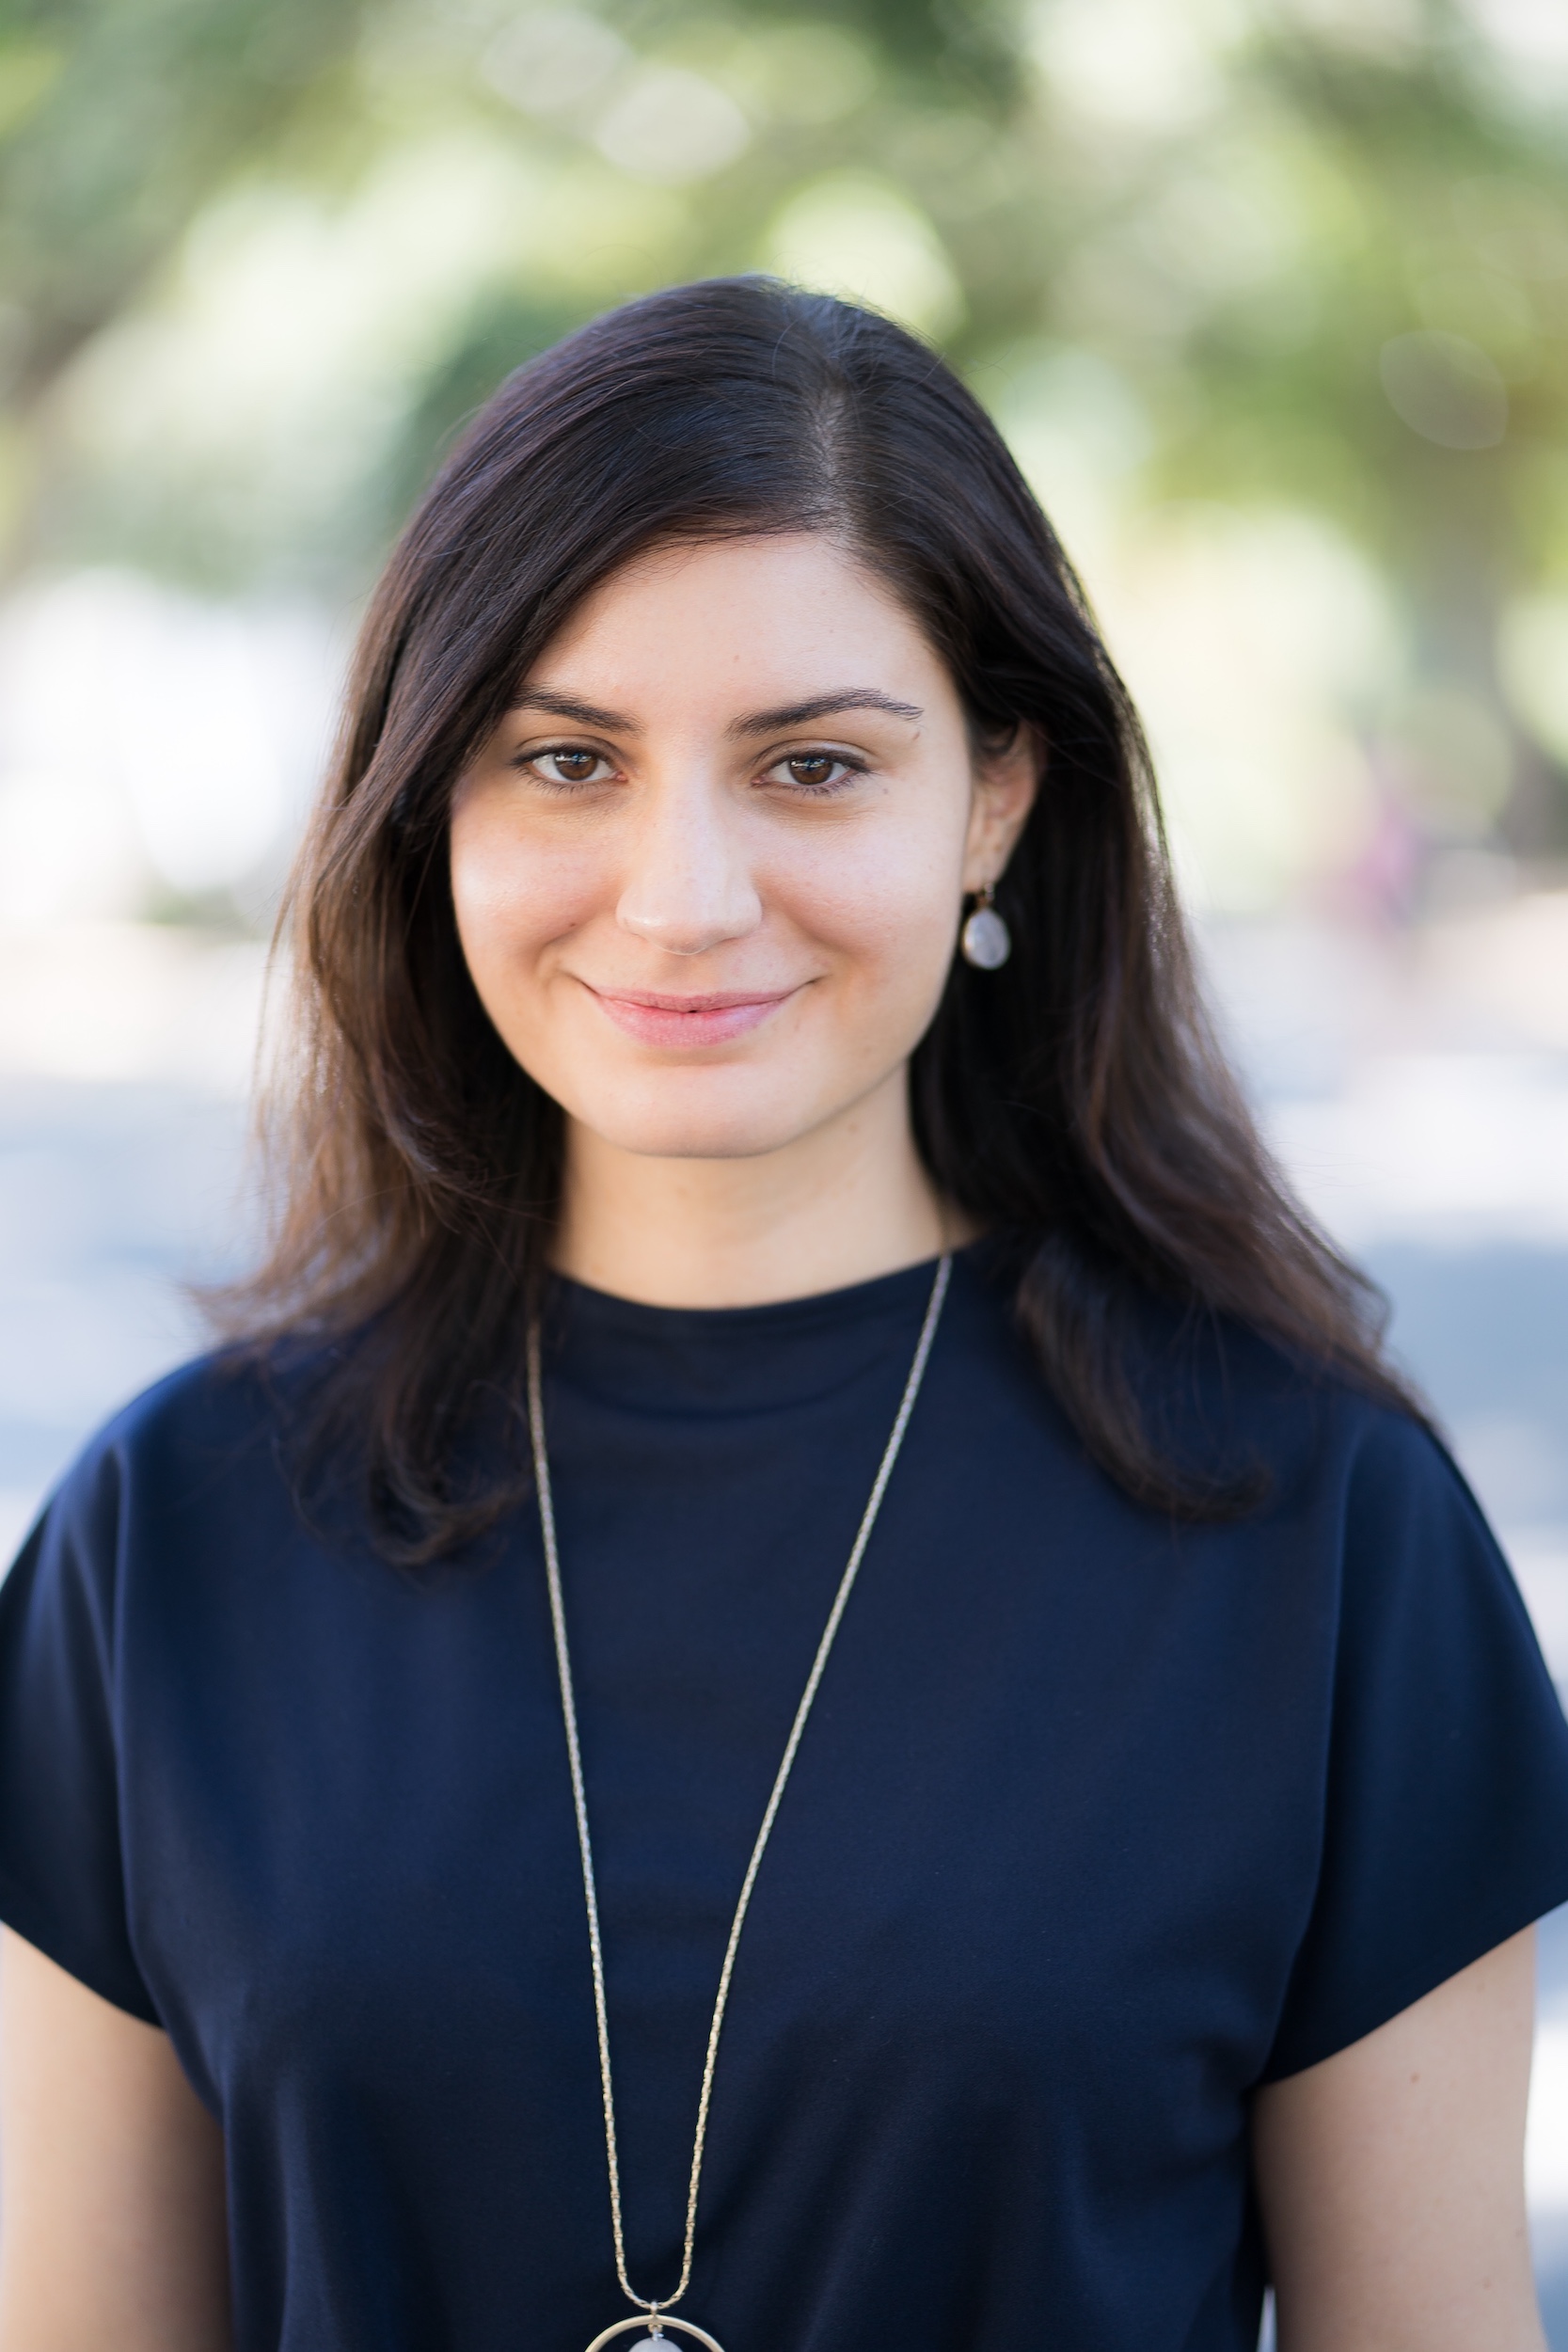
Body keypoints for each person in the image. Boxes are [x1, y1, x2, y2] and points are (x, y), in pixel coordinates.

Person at [0, 278, 1563, 2352]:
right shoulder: (165, 1540)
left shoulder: (1322, 1533)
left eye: (813, 765)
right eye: (566, 757)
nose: (683, 893)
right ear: (433, 805)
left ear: (998, 794)